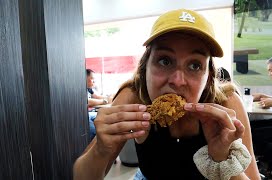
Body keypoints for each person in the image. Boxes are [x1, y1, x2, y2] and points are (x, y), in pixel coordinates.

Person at [74, 9, 260, 180]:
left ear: (208, 76)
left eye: (195, 65)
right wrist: (100, 150)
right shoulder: (134, 96)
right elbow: (80, 176)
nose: (178, 81)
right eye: (164, 61)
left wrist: (223, 159)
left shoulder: (227, 104)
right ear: (145, 67)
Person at [86, 69, 113, 140]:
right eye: (92, 79)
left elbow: (98, 96)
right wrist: (104, 101)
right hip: (82, 115)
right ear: (85, 78)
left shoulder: (89, 89)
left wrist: (109, 97)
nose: (94, 81)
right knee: (95, 132)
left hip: (89, 113)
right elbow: (87, 102)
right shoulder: (80, 88)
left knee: (105, 117)